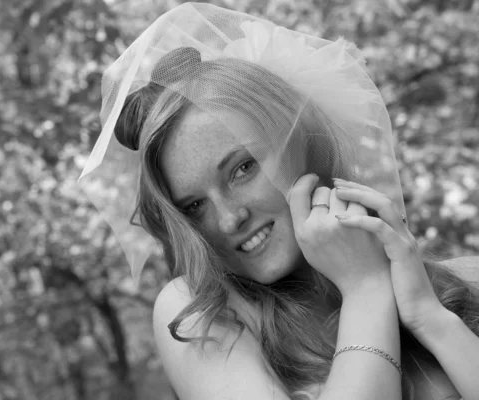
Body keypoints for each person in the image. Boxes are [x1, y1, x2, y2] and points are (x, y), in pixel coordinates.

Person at [78, 3, 479, 400]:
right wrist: (365, 288)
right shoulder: (203, 318)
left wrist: (432, 319)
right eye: (193, 206)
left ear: (301, 143)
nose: (229, 218)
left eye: (242, 169)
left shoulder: (465, 279)